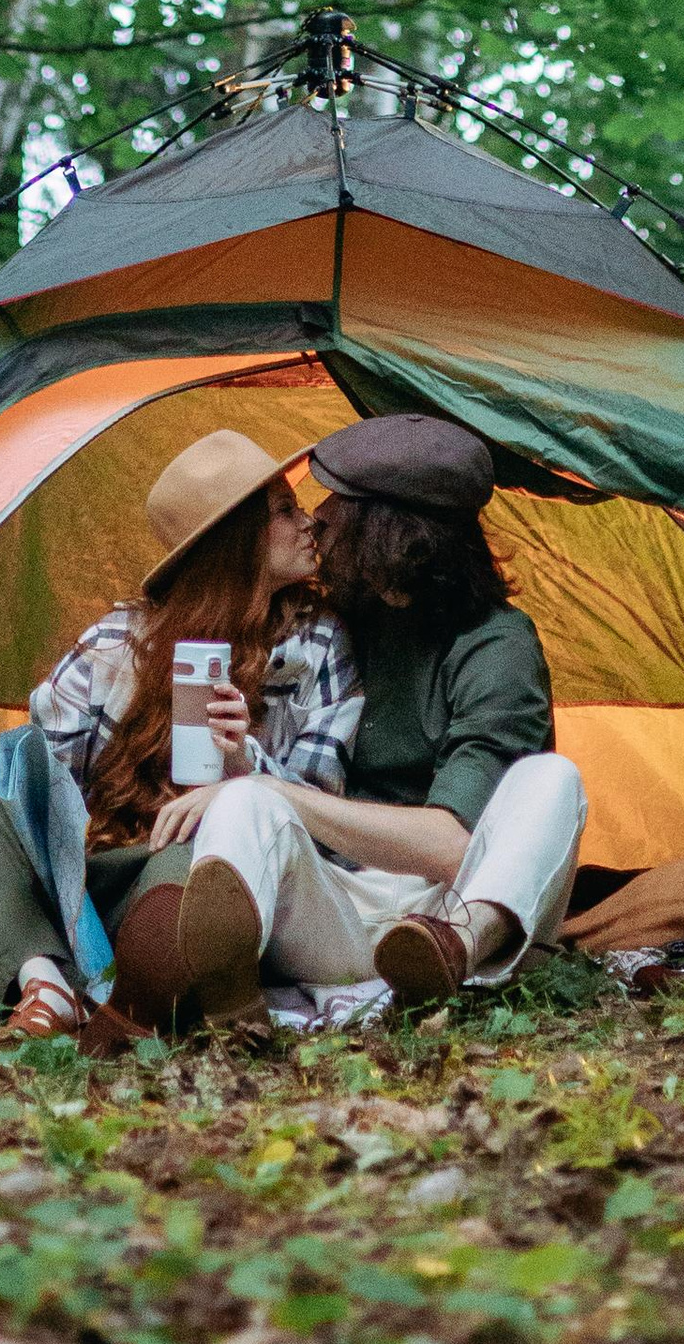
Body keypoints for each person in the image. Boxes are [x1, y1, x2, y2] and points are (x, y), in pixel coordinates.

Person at [114, 411, 587, 1026]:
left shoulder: (497, 646)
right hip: (337, 911)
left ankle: (449, 958)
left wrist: (279, 791)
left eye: (338, 503)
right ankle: (233, 1002)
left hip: (456, 902)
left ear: (389, 532)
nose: (318, 518)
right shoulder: (338, 625)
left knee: (553, 779)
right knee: (242, 799)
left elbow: (452, 846)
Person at [0, 428, 359, 1038]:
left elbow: (324, 824)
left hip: (204, 873)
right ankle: (45, 984)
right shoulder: (117, 644)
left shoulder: (319, 644)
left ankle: (133, 990)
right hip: (96, 883)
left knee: (196, 854)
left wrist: (243, 769)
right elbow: (36, 801)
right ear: (236, 540)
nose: (309, 523)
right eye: (285, 510)